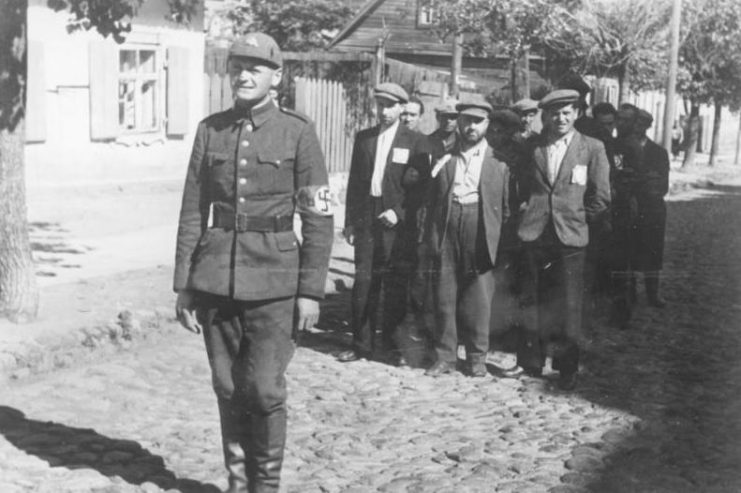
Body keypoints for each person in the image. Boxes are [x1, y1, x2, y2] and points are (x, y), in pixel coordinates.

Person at [173, 33, 333, 493]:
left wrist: (310, 290)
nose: (243, 75)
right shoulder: (211, 130)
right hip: (216, 277)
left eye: (255, 68)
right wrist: (184, 282)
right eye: (237, 67)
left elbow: (318, 218)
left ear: (276, 76)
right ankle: (238, 486)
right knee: (226, 388)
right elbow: (191, 210)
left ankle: (265, 487)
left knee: (262, 389)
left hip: (277, 281)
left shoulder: (298, 132)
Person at [503, 89, 611, 390]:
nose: (560, 119)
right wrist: (527, 212)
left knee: (568, 304)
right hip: (534, 233)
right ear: (545, 116)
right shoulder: (533, 147)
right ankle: (530, 362)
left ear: (576, 114)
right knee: (530, 298)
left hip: (570, 236)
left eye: (566, 113)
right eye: (554, 113)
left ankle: (567, 368)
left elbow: (601, 197)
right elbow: (520, 186)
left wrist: (576, 218)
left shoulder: (592, 148)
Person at [340, 82, 427, 365]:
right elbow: (354, 183)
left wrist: (399, 212)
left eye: (390, 106)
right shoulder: (364, 138)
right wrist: (350, 222)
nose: (384, 111)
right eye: (379, 105)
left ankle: (391, 348)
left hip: (395, 222)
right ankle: (360, 344)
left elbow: (421, 189)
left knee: (394, 284)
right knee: (364, 282)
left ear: (402, 108)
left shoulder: (415, 141)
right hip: (367, 218)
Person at [423, 101, 510, 378]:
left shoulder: (500, 162)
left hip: (479, 222)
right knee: (444, 293)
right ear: (458, 122)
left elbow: (506, 207)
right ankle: (445, 356)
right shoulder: (445, 157)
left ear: (487, 125)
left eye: (477, 121)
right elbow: (431, 200)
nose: (470, 127)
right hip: (449, 221)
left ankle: (476, 357)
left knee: (479, 294)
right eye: (466, 120)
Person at [631, 109, 670, 307]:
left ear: (648, 126)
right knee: (628, 252)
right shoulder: (620, 147)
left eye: (642, 124)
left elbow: (662, 184)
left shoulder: (658, 152)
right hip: (628, 208)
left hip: (652, 210)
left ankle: (652, 294)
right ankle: (628, 295)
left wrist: (637, 184)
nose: (638, 128)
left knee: (652, 253)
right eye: (635, 123)